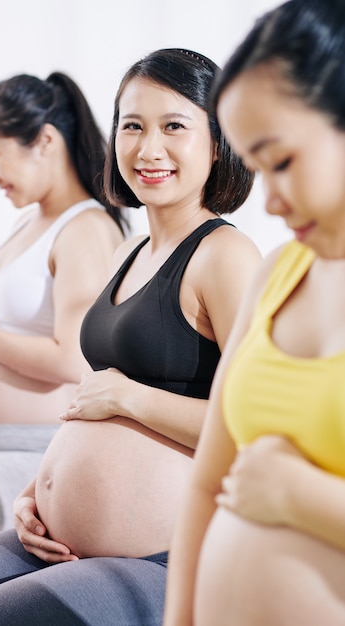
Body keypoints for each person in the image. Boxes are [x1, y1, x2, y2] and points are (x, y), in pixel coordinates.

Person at [0, 48, 261, 625]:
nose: (147, 148)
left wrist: (132, 398)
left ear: (218, 140)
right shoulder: (129, 251)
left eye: (173, 126)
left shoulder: (224, 255)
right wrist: (38, 491)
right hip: (55, 536)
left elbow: (257, 426)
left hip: (161, 557)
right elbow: (94, 404)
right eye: (131, 126)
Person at [163, 2, 345, 625]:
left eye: (284, 161)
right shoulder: (278, 273)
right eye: (258, 168)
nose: (269, 200)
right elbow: (208, 484)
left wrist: (306, 498)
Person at [0, 71, 126, 563]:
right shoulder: (30, 219)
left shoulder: (85, 229)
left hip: (31, 453)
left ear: (44, 140)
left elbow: (73, 359)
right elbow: (17, 324)